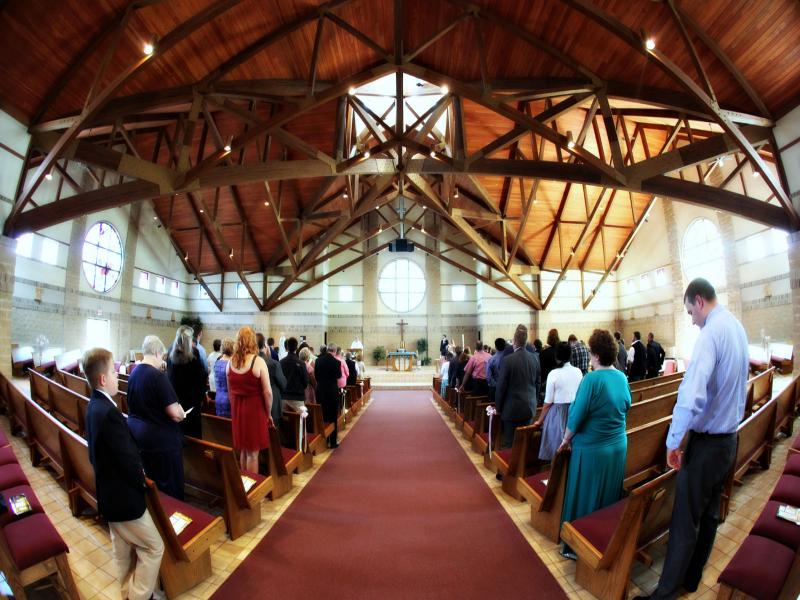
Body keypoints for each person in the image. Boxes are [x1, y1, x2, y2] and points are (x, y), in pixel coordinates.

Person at [637, 279, 747, 600]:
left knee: (685, 521)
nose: (691, 319)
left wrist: (674, 441)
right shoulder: (735, 327)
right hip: (728, 441)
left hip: (708, 444)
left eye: (689, 311)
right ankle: (692, 579)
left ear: (699, 301)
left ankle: (665, 593)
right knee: (710, 515)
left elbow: (691, 396)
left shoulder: (710, 334)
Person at [84, 348, 164, 600]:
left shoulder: (94, 406)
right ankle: (139, 596)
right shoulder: (107, 412)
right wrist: (141, 480)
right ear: (103, 379)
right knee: (154, 547)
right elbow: (127, 459)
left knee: (122, 553)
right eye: (112, 371)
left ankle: (127, 593)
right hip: (124, 499)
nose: (117, 376)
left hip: (109, 495)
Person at [558, 329, 631, 559]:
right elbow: (626, 405)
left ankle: (578, 546)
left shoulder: (591, 379)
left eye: (591, 353)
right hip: (617, 445)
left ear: (597, 355)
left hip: (592, 450)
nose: (590, 357)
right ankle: (602, 540)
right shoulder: (621, 376)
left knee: (585, 496)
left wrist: (565, 440)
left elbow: (576, 416)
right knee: (608, 496)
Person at [127, 336, 186, 499]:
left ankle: (157, 515)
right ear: (156, 353)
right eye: (163, 356)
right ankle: (172, 517)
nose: (163, 361)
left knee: (153, 485)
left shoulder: (134, 372)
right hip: (162, 444)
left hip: (140, 438)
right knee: (170, 489)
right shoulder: (157, 376)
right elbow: (175, 414)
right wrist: (182, 413)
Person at [227, 326, 273, 474]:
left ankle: (245, 486)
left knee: (244, 451)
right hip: (255, 411)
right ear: (252, 341)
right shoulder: (258, 361)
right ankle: (252, 490)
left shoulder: (230, 362)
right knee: (253, 454)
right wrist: (269, 412)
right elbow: (268, 392)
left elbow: (230, 392)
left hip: (238, 412)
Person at [533, 342, 582, 461]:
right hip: (575, 413)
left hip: (559, 415)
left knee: (557, 452)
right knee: (571, 453)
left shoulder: (554, 374)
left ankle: (555, 475)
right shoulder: (578, 371)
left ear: (557, 357)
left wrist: (539, 421)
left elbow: (548, 403)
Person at [495, 325, 540, 449]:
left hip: (511, 410)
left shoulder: (508, 360)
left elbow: (501, 387)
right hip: (529, 408)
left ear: (514, 342)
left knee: (510, 444)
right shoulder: (535, 359)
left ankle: (511, 467)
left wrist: (498, 407)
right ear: (525, 342)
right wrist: (534, 403)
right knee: (525, 445)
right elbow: (537, 383)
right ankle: (521, 467)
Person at [167, 325, 206, 439]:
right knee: (191, 436)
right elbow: (200, 377)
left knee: (177, 433)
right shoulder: (194, 353)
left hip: (174, 401)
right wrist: (202, 396)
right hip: (191, 403)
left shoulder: (170, 352)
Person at [316, 344, 343, 448]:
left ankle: (324, 440)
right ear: (335, 351)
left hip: (321, 392)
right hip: (332, 392)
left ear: (327, 350)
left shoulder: (318, 361)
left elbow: (317, 376)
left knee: (323, 416)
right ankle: (332, 442)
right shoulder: (336, 362)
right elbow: (339, 375)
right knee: (332, 417)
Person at [280, 337, 309, 412]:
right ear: (296, 348)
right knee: (300, 422)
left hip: (284, 397)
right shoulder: (301, 363)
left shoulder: (281, 362)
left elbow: (279, 380)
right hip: (298, 398)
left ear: (287, 347)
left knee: (285, 423)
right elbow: (306, 382)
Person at [486, 338, 512, 403]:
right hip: (508, 389)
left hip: (495, 389)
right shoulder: (510, 359)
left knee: (493, 409)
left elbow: (488, 376)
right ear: (505, 346)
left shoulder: (491, 359)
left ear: (495, 347)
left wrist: (497, 385)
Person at [213, 339, 234, 417]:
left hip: (218, 397)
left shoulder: (217, 362)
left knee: (221, 425)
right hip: (229, 399)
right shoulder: (231, 364)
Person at [539, 329, 560, 403]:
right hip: (559, 384)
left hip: (547, 384)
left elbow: (540, 371)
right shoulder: (561, 352)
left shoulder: (544, 353)